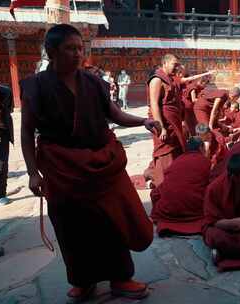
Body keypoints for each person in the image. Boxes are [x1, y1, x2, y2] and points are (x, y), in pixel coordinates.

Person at [20, 24, 155, 300]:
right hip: (62, 168)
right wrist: (33, 173)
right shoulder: (36, 87)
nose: (78, 54)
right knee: (72, 227)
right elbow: (25, 132)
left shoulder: (93, 82)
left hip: (101, 163)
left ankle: (121, 277)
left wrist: (144, 120)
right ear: (52, 51)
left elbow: (115, 114)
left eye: (80, 48)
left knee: (112, 220)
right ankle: (84, 280)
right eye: (70, 48)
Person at [151, 137, 210, 235]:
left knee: (157, 192)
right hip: (194, 211)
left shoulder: (177, 160)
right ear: (201, 148)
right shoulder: (204, 161)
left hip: (168, 211)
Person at [147, 54, 186, 187]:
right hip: (164, 124)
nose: (177, 67)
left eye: (178, 65)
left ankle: (171, 181)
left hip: (173, 123)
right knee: (165, 155)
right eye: (174, 65)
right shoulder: (157, 80)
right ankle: (162, 185)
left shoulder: (170, 79)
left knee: (175, 153)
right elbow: (154, 104)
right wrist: (160, 127)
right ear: (165, 63)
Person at [0, 66, 13, 206]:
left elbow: (9, 110)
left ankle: (1, 195)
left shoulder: (6, 92)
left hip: (1, 132)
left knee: (1, 164)